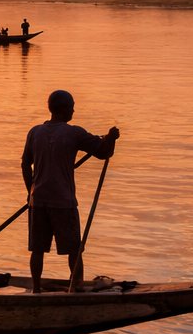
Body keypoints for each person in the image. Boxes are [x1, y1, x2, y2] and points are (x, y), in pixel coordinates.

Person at [21, 89, 119, 293]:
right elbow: (103, 152)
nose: (74, 110)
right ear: (65, 109)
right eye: (72, 106)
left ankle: (36, 289)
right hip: (63, 202)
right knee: (75, 249)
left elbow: (25, 164)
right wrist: (111, 138)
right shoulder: (73, 133)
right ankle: (76, 288)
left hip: (37, 201)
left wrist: (30, 190)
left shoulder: (35, 132)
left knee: (37, 249)